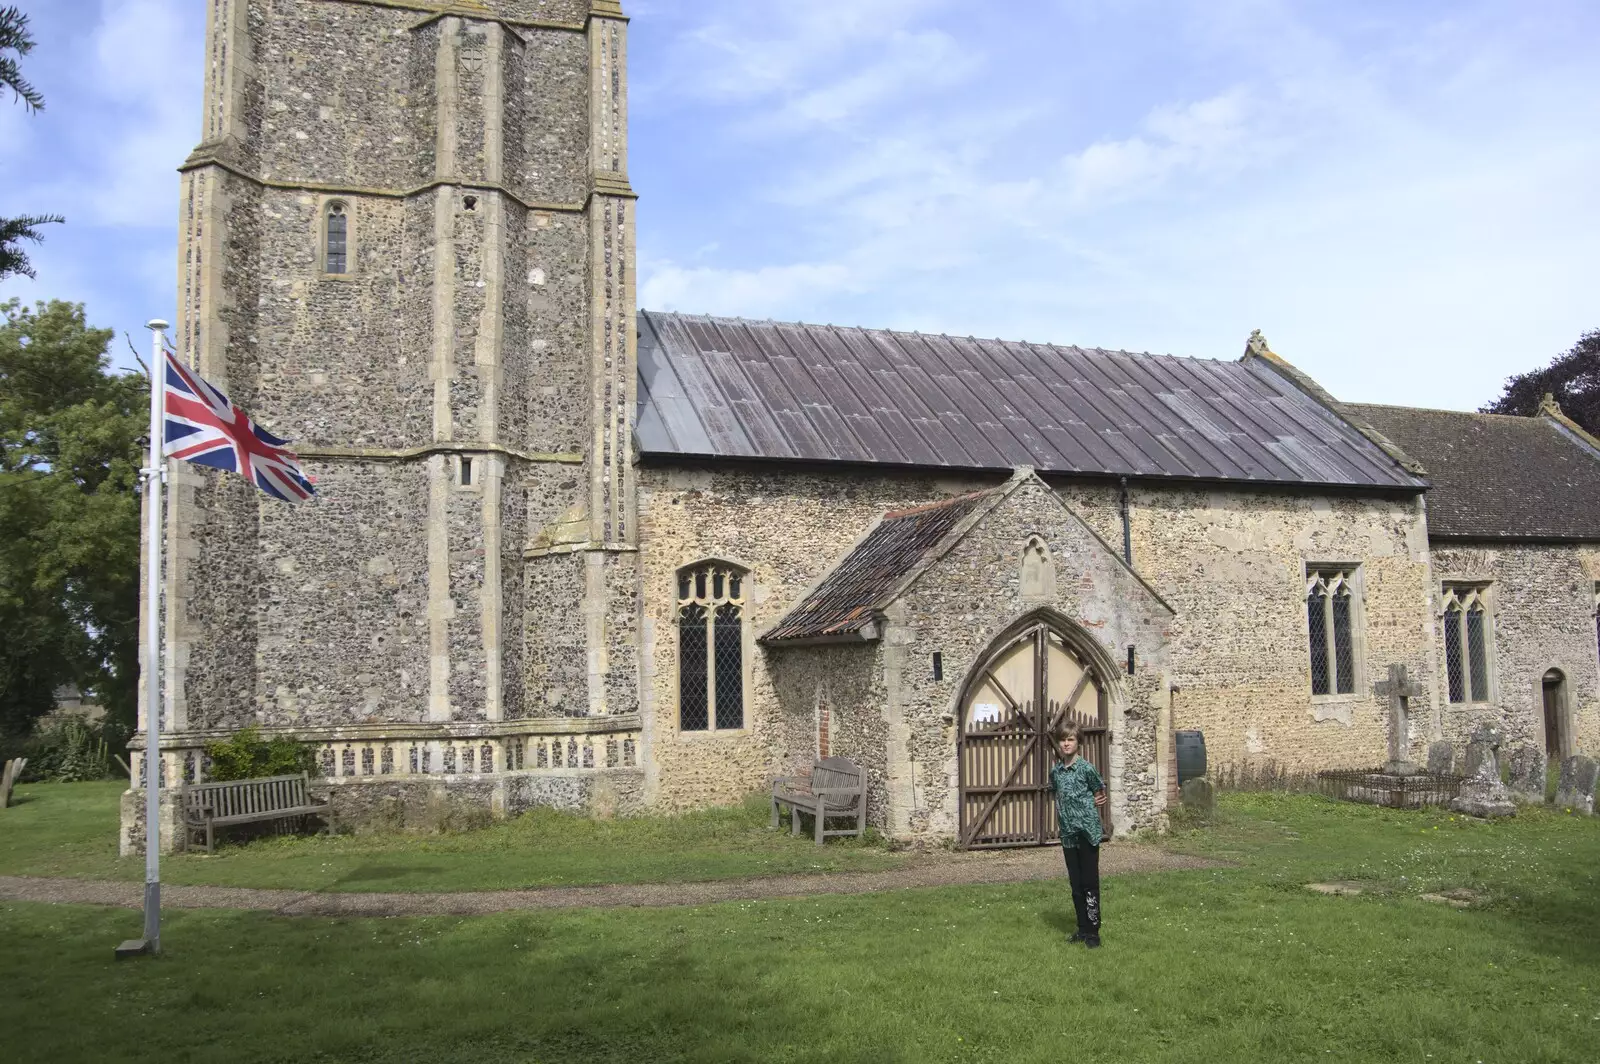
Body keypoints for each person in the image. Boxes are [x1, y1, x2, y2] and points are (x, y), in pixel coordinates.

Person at [1048, 720, 1107, 947]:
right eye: (1063, 740)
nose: (1066, 744)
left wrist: (1098, 799)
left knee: (1089, 883)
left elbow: (1100, 791)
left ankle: (1093, 932)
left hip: (1087, 833)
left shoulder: (1087, 768)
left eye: (1070, 739)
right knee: (1075, 885)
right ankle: (1082, 928)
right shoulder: (1057, 772)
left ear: (1078, 742)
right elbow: (1057, 793)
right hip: (1068, 835)